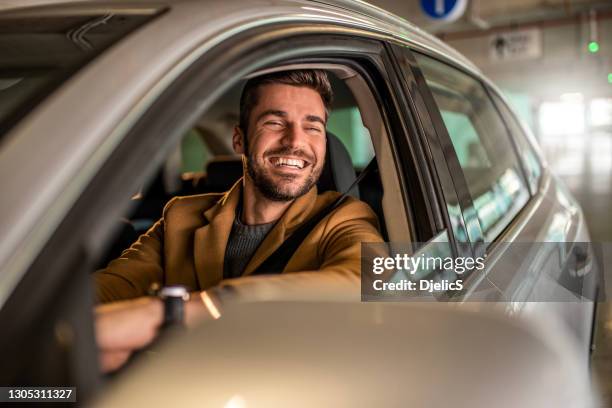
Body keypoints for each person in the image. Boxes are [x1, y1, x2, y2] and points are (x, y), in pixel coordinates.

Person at [93, 70, 383, 372]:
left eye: (313, 127)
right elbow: (113, 287)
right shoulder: (181, 216)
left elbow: (368, 281)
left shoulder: (345, 217)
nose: (295, 141)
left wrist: (180, 312)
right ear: (239, 139)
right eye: (274, 122)